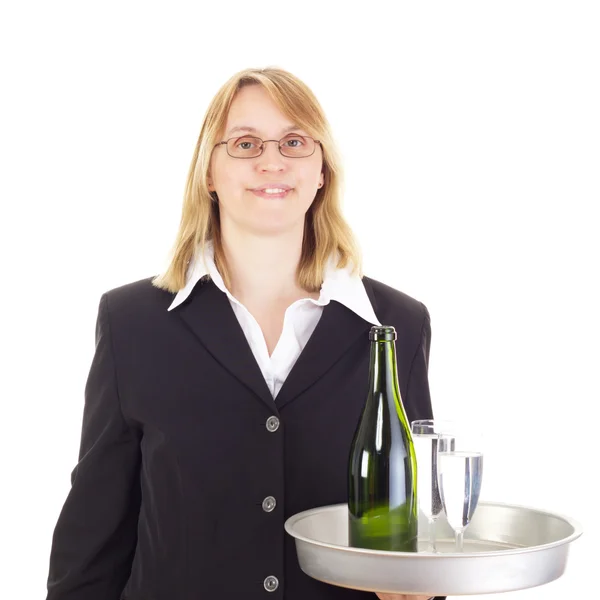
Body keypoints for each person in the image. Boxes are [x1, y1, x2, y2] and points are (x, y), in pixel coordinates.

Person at [45, 67, 444, 600]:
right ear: (208, 171)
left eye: (295, 142)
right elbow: (93, 536)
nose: (271, 160)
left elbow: (415, 528)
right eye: (245, 142)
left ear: (322, 169)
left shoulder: (397, 324)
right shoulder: (131, 321)